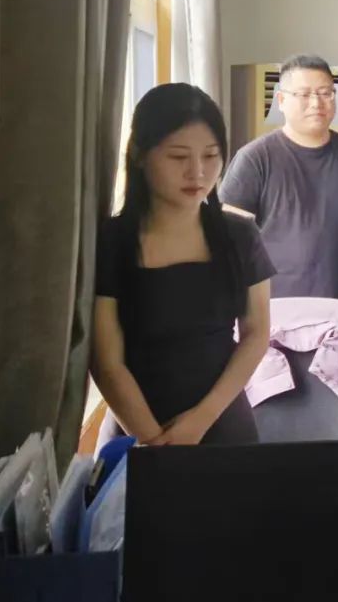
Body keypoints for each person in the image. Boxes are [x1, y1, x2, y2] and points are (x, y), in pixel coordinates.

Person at [91, 84, 275, 446]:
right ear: (139, 155)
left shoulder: (240, 235)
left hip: (222, 423)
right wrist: (151, 440)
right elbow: (106, 362)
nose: (198, 172)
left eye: (211, 156)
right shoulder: (111, 241)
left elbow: (256, 334)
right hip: (133, 427)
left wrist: (200, 420)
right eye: (178, 157)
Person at [220, 54, 338, 325]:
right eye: (304, 94)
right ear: (281, 100)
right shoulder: (255, 159)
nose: (316, 103)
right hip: (273, 316)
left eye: (326, 93)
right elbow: (230, 243)